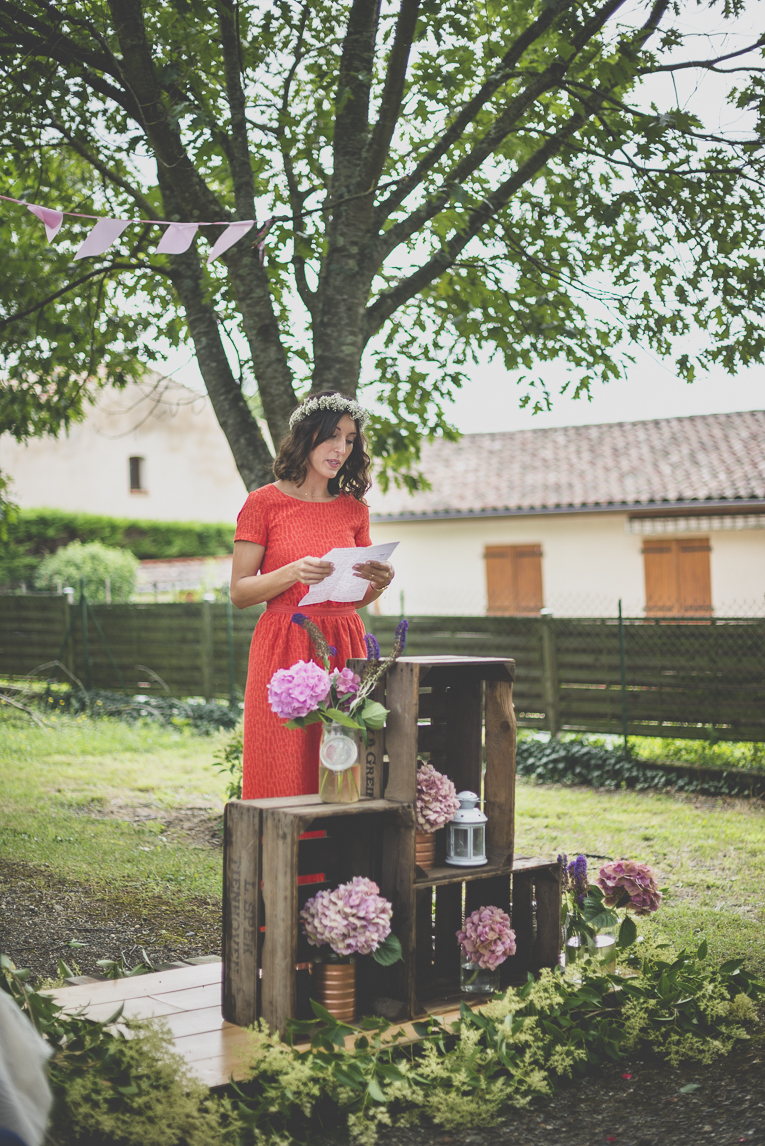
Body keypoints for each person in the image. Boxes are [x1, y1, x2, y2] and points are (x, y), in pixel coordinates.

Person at [230, 391, 395, 799]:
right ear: (306, 435)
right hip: (283, 644)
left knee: (344, 761)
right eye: (332, 436)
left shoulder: (354, 509)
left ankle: (337, 859)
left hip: (345, 644)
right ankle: (280, 857)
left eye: (351, 439)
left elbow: (351, 599)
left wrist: (379, 581)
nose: (341, 448)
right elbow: (239, 592)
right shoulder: (262, 503)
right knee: (282, 759)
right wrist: (291, 572)